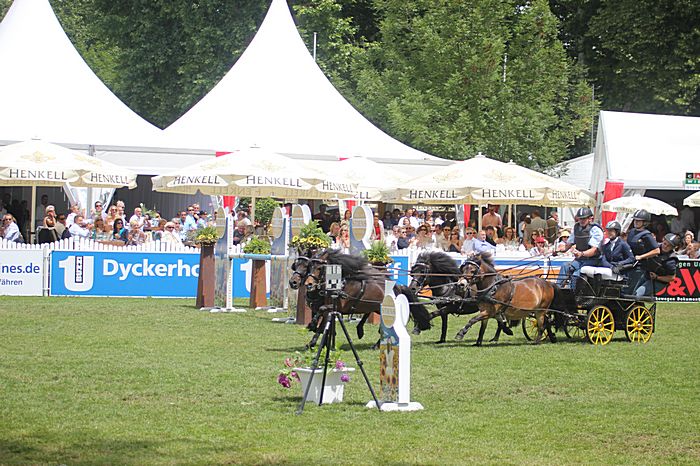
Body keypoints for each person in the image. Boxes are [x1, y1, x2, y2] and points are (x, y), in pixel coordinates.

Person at [556, 207, 603, 289]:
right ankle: (558, 290)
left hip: (593, 260)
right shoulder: (576, 228)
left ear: (590, 219)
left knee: (576, 274)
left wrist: (581, 254)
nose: (581, 220)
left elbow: (594, 250)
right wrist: (559, 250)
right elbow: (568, 245)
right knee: (565, 266)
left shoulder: (595, 230)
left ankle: (572, 294)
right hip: (580, 260)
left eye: (584, 218)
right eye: (580, 218)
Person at [625, 209, 660, 293]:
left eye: (639, 221)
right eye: (635, 220)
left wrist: (641, 257)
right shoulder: (632, 232)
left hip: (640, 266)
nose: (636, 222)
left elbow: (656, 250)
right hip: (629, 264)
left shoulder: (647, 235)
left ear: (644, 222)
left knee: (632, 289)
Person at [635, 233, 680, 297]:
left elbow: (671, 278)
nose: (665, 246)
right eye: (665, 243)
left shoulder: (671, 261)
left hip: (659, 282)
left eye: (669, 246)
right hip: (646, 275)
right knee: (633, 294)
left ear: (673, 247)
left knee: (638, 293)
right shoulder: (654, 247)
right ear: (663, 240)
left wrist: (657, 277)